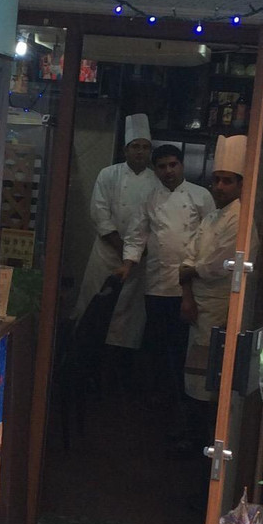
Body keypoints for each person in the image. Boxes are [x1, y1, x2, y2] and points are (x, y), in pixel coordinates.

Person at [116, 144, 214, 414]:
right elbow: (137, 235)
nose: (168, 171)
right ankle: (161, 397)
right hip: (157, 282)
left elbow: (210, 237)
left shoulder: (201, 195)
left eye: (173, 165)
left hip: (190, 285)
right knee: (158, 344)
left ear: (182, 165)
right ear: (155, 169)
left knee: (184, 344)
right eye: (162, 166)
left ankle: (186, 399)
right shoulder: (149, 197)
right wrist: (127, 264)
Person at [178, 134, 249, 453]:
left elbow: (216, 264)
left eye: (227, 181)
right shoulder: (211, 216)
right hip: (197, 304)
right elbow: (189, 256)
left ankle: (203, 446)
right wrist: (188, 289)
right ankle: (192, 437)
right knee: (193, 374)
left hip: (220, 308)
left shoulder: (241, 220)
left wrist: (191, 270)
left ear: (241, 184)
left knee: (210, 381)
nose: (220, 186)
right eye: (216, 180)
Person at [72, 113, 160, 355]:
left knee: (127, 316)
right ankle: (82, 352)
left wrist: (134, 255)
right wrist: (123, 248)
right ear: (125, 150)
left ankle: (119, 360)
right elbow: (99, 213)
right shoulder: (108, 174)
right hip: (106, 253)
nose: (140, 152)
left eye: (145, 147)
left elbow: (155, 221)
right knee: (92, 304)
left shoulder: (156, 181)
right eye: (135, 146)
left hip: (138, 260)